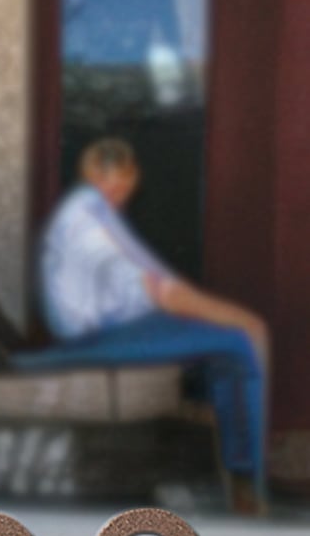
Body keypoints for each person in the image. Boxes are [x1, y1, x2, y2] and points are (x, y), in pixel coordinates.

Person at [19, 138, 271, 512]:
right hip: (95, 339)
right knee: (237, 343)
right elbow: (162, 291)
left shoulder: (97, 210)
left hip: (122, 324)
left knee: (221, 343)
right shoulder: (84, 221)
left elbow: (155, 282)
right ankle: (245, 479)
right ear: (90, 176)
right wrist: (241, 318)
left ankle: (232, 473)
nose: (117, 193)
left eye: (123, 185)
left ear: (133, 178)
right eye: (109, 184)